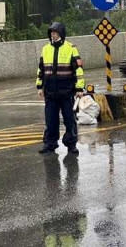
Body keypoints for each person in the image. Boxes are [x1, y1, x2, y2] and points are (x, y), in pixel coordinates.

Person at [36, 22, 85, 155]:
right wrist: (40, 86)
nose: (53, 35)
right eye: (51, 32)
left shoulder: (71, 48)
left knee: (69, 121)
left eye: (55, 32)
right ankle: (50, 144)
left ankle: (71, 145)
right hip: (50, 92)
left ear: (61, 34)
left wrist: (79, 88)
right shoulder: (45, 49)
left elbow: (79, 69)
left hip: (66, 92)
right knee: (50, 121)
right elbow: (41, 69)